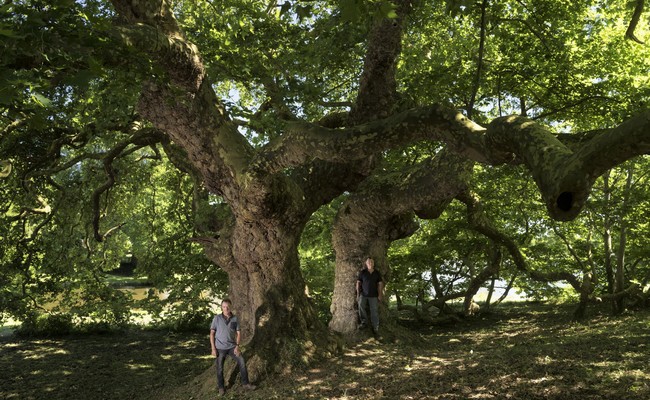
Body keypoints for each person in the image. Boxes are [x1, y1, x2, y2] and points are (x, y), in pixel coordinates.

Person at [210, 298, 256, 396]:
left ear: (231, 307)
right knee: (220, 368)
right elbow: (212, 334)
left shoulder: (235, 319)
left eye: (227, 307)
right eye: (224, 307)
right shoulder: (217, 318)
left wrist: (237, 346)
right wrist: (213, 348)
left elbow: (238, 333)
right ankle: (221, 388)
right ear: (221, 307)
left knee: (242, 361)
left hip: (232, 347)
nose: (226, 309)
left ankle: (245, 384)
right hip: (220, 348)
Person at [356, 257, 384, 335]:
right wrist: (358, 294)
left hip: (374, 295)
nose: (370, 263)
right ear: (366, 263)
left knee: (374, 311)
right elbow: (358, 283)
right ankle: (364, 322)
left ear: (373, 263)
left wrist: (380, 294)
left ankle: (375, 327)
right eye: (368, 262)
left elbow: (380, 284)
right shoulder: (363, 272)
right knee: (360, 307)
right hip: (363, 294)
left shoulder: (377, 273)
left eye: (371, 262)